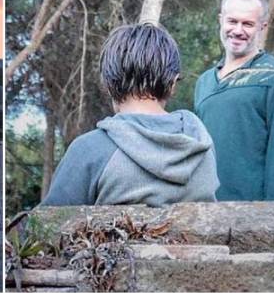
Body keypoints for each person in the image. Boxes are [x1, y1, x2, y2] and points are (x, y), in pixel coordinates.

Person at [42, 23, 219, 207]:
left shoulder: (89, 150)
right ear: (173, 83)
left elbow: (48, 227)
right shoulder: (202, 145)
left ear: (108, 84)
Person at [195, 0, 274, 201]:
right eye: (232, 21)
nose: (238, 30)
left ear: (262, 26)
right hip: (204, 210)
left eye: (248, 24)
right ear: (221, 20)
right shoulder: (204, 83)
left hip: (253, 213)